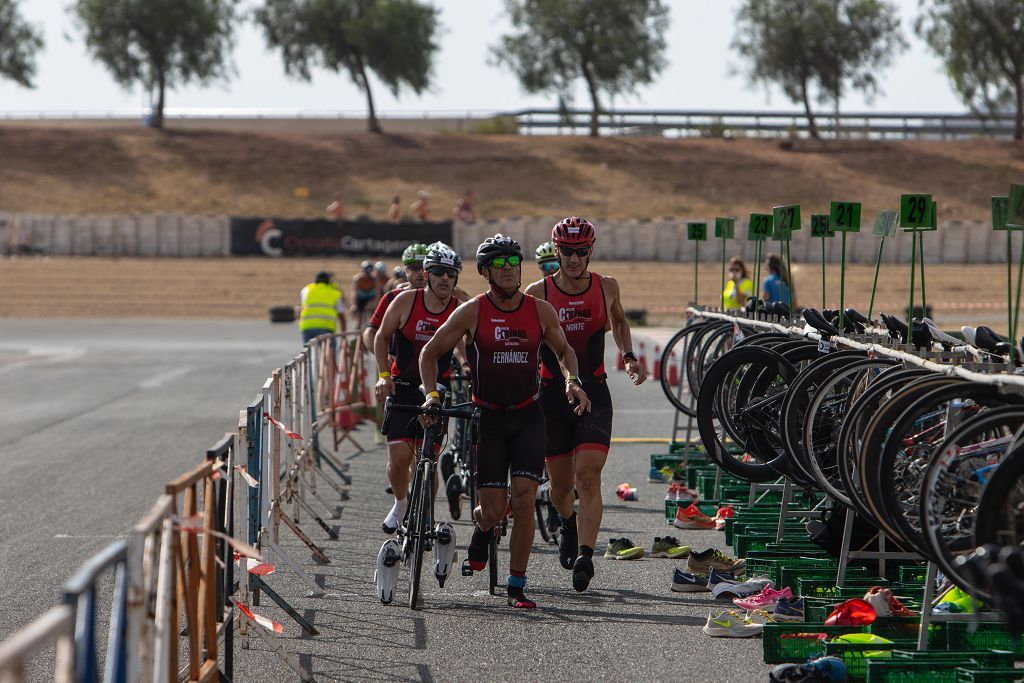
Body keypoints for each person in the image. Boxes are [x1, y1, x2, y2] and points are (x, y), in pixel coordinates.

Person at [419, 234, 591, 609]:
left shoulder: (539, 310)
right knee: (493, 510)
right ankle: (483, 529)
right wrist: (432, 394)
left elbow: (564, 351)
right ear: (485, 272)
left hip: (529, 416)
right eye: (499, 264)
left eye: (513, 262)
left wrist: (571, 381)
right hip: (490, 420)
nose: (509, 269)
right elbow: (430, 353)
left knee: (525, 499)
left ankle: (517, 585)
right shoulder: (473, 311)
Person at [524, 217, 647, 593]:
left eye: (581, 252)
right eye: (567, 251)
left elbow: (620, 321)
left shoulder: (606, 286)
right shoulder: (538, 291)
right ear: (555, 251)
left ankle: (586, 555)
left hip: (594, 390)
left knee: (588, 476)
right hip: (550, 396)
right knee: (561, 486)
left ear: (590, 251)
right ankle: (567, 523)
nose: (574, 259)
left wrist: (628, 356)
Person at [375, 243, 465, 535]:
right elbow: (380, 337)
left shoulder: (460, 305)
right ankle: (401, 503)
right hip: (403, 386)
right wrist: (383, 375)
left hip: (439, 388)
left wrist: (468, 365)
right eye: (438, 272)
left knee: (428, 457)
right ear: (427, 273)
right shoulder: (405, 301)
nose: (444, 279)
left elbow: (472, 343)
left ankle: (425, 509)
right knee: (400, 459)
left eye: (450, 274)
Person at [363, 244, 429, 354]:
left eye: (425, 267)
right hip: (398, 367)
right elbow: (369, 333)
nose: (421, 272)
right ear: (406, 270)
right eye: (415, 268)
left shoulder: (444, 297)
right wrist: (383, 356)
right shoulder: (392, 296)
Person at [298, 271, 346, 343]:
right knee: (329, 349)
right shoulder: (334, 292)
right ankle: (330, 354)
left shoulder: (306, 290)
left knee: (308, 351)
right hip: (326, 327)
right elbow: (341, 315)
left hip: (307, 326)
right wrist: (343, 336)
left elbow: (301, 307)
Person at [352, 261, 381, 328]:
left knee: (373, 314)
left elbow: (377, 291)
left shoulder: (374, 278)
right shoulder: (358, 278)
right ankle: (358, 331)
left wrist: (376, 302)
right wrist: (354, 305)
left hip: (370, 297)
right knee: (360, 317)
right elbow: (354, 292)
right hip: (361, 298)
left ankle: (372, 327)